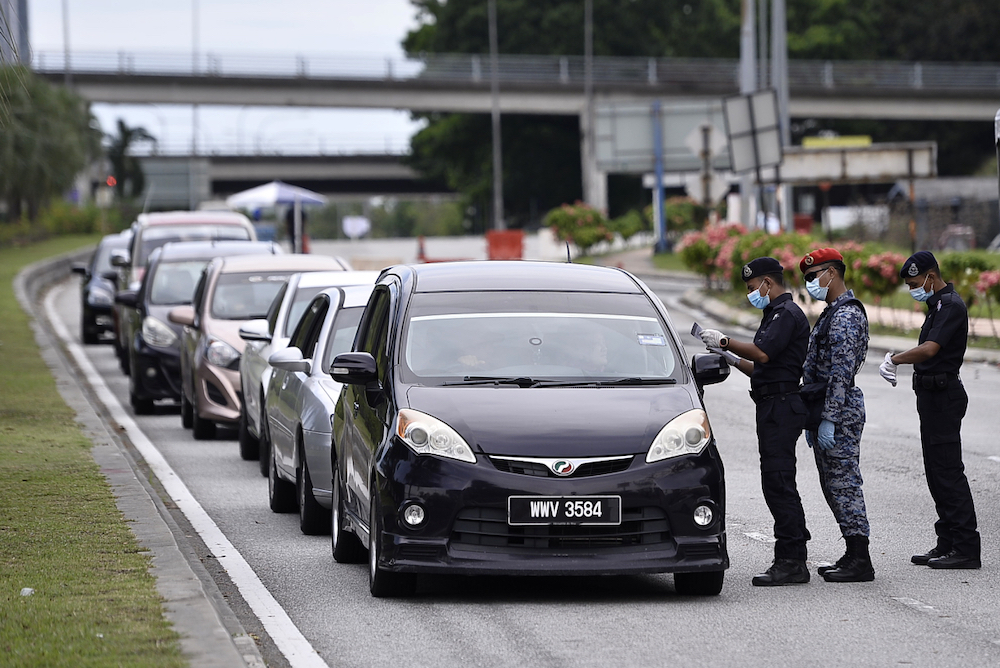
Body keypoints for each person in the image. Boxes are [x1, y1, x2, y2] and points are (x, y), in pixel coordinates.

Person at [700, 257, 812, 586]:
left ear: (767, 282)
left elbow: (762, 354)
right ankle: (792, 553)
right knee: (775, 482)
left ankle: (792, 560)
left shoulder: (786, 314)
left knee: (779, 482)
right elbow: (760, 367)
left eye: (752, 288)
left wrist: (724, 341)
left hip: (781, 406)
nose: (751, 294)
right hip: (771, 404)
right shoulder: (773, 315)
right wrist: (730, 357)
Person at [879, 251, 981, 569]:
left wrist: (895, 359)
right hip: (932, 395)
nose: (913, 289)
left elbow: (931, 349)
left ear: (930, 277)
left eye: (914, 283)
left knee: (948, 472)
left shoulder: (949, 305)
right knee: (937, 473)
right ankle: (947, 542)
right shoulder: (937, 305)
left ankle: (965, 547)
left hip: (944, 395)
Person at [799, 248, 874, 582]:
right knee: (832, 485)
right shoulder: (832, 312)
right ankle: (852, 550)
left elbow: (841, 372)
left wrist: (828, 416)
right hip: (827, 406)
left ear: (831, 273)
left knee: (844, 485)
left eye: (814, 277)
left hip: (839, 410)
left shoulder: (845, 316)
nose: (811, 283)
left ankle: (861, 559)